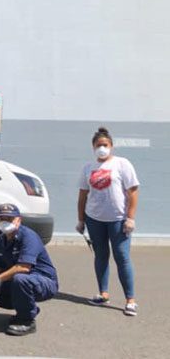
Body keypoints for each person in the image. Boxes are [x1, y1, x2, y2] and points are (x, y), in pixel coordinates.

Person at [76, 127, 140, 316]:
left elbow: (133, 192)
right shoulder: (88, 168)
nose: (101, 148)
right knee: (101, 256)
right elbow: (82, 195)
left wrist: (130, 217)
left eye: (105, 145)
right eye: (98, 145)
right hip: (94, 219)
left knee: (122, 256)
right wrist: (81, 220)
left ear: (111, 146)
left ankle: (130, 300)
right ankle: (103, 294)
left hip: (118, 220)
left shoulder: (122, 164)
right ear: (93, 147)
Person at [0, 203, 58, 336]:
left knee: (20, 279)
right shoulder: (1, 240)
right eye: (2, 219)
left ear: (18, 220)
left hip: (43, 281)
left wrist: (0, 278)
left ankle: (27, 321)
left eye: (9, 219)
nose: (5, 222)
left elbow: (24, 267)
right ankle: (26, 308)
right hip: (21, 280)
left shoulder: (29, 237)